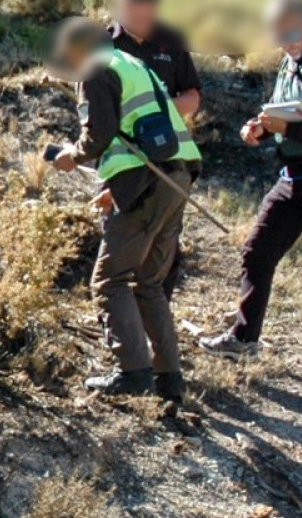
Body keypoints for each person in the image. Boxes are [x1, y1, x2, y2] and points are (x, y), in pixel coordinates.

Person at [199, 0, 302, 383]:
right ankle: (244, 338)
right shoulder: (291, 60)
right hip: (295, 174)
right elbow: (285, 110)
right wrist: (259, 127)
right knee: (258, 250)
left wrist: (285, 129)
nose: (275, 31)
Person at [46, 16, 202, 402]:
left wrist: (71, 157)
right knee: (149, 282)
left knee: (110, 280)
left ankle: (132, 372)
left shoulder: (96, 70)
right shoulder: (133, 65)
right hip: (178, 176)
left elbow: (98, 137)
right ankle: (169, 378)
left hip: (148, 182)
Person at [109, 0, 204, 300]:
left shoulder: (172, 40)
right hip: (122, 162)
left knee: (165, 251)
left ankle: (155, 317)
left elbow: (192, 97)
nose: (144, 9)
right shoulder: (102, 44)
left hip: (169, 160)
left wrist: (158, 112)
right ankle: (124, 325)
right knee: (118, 244)